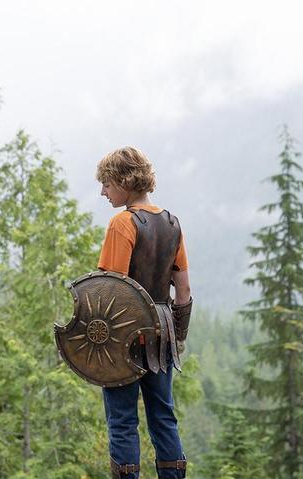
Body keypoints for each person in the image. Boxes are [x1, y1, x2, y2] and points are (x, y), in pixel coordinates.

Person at [95, 146, 193, 479]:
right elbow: (183, 291)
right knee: (163, 416)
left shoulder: (122, 224)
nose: (103, 192)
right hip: (162, 334)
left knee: (122, 420)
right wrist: (178, 339)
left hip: (124, 338)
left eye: (107, 183)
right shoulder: (171, 223)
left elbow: (111, 291)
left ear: (124, 180)